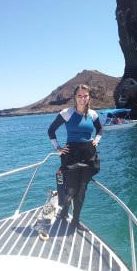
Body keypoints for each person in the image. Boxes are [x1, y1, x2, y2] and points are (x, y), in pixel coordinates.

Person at [48, 84, 102, 232]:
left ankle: (75, 221)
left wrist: (97, 140)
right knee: (71, 189)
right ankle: (65, 211)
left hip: (88, 155)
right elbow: (51, 130)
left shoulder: (93, 114)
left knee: (82, 190)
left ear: (89, 97)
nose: (82, 98)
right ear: (75, 97)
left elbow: (100, 129)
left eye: (85, 95)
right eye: (80, 95)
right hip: (71, 156)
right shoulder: (67, 113)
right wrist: (58, 148)